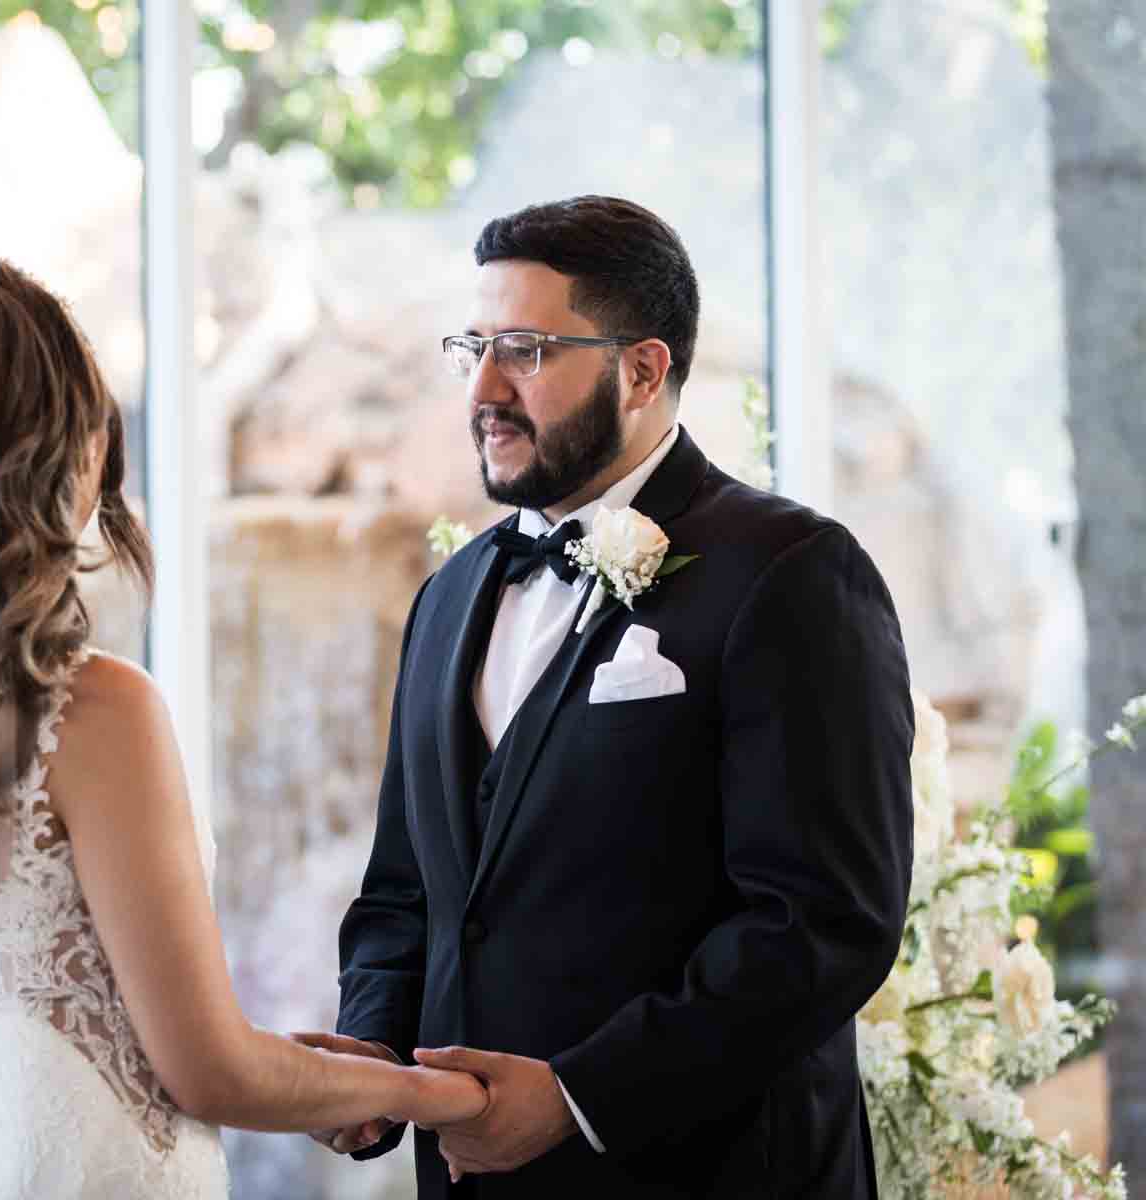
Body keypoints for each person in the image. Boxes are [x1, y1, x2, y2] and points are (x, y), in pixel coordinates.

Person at [0, 252, 488, 1199]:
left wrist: (328, 1075)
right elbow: (207, 1071)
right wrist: (440, 1095)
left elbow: (60, 1014)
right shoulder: (91, 709)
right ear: (68, 447)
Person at [313, 196, 915, 1198]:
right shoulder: (450, 595)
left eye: (529, 351)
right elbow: (406, 890)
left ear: (643, 370)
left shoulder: (793, 574)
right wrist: (371, 1051)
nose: (485, 391)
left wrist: (578, 1096)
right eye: (474, 348)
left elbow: (822, 923)